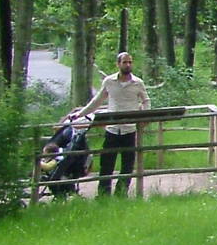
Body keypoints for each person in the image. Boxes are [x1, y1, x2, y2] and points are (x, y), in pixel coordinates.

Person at [76, 51, 150, 196]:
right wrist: (80, 114)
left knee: (127, 165)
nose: (128, 65)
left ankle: (121, 193)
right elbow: (97, 101)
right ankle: (103, 194)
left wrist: (144, 116)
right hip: (112, 129)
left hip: (129, 130)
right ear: (118, 64)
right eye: (125, 62)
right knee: (107, 164)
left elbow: (146, 100)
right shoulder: (109, 81)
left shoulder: (138, 83)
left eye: (130, 62)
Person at [38, 113, 91, 198]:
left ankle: (61, 196)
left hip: (68, 165)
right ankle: (67, 193)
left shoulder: (57, 159)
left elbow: (47, 166)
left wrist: (39, 163)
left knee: (54, 179)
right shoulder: (66, 140)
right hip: (68, 164)